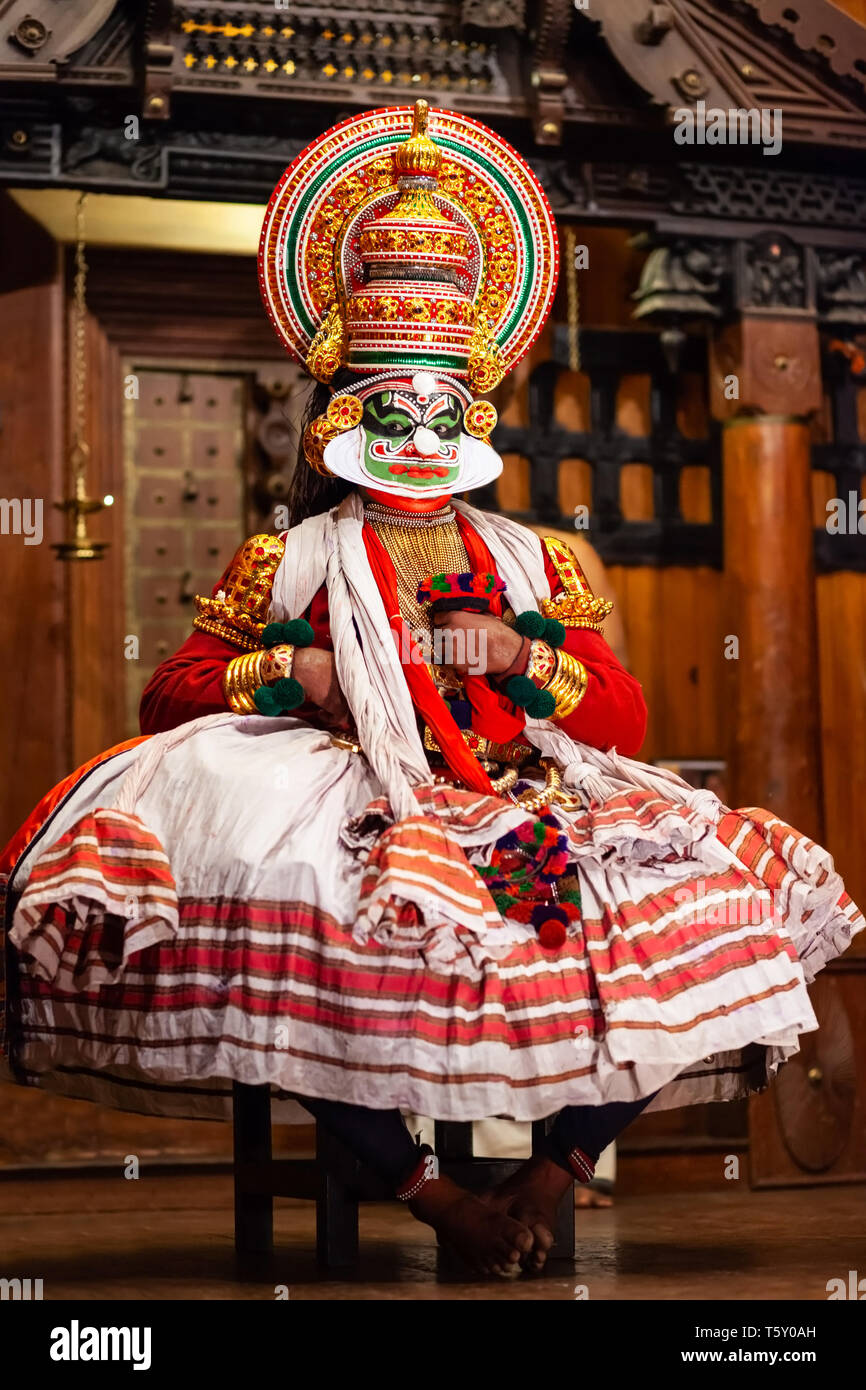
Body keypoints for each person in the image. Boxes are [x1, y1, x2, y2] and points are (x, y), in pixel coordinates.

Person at [3, 101, 862, 1278]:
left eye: (441, 409)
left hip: (512, 802)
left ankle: (542, 1178)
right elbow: (169, 696)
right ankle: (437, 1195)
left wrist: (519, 658)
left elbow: (622, 719)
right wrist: (292, 670)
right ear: (339, 415)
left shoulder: (534, 561)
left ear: (478, 413)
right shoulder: (286, 557)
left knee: (701, 921)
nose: (417, 431)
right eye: (389, 407)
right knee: (319, 946)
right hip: (353, 802)